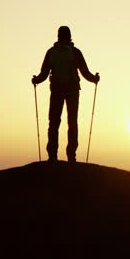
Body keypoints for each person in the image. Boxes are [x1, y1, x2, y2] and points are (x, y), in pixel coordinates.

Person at [32, 26, 99, 162]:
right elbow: (85, 72)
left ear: (58, 36)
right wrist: (95, 79)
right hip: (72, 90)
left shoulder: (51, 52)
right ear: (70, 36)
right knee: (72, 122)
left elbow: (44, 73)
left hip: (56, 90)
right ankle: (71, 156)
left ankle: (52, 156)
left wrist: (36, 80)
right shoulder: (75, 52)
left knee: (54, 122)